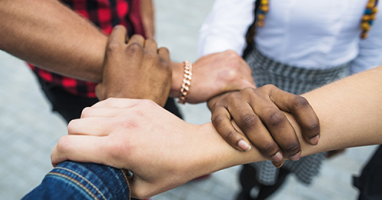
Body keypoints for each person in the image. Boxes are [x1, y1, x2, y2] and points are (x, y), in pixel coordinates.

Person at [24, 63, 382, 200]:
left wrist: (197, 144)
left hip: (328, 98)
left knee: (276, 174)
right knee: (256, 171)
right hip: (257, 91)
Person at [198, 0, 382, 199]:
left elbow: (372, 49)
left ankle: (261, 196)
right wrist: (223, 79)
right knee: (252, 154)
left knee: (293, 159)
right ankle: (244, 193)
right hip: (263, 77)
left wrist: (353, 112)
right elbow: (226, 22)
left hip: (330, 86)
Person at [0, 0, 255, 123]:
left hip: (140, 52)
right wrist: (180, 76)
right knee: (125, 166)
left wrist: (146, 24)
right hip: (77, 82)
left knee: (166, 127)